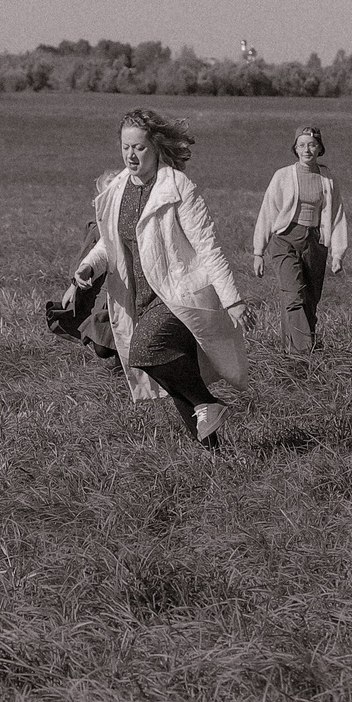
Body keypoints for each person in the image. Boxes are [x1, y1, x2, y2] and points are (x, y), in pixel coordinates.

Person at [74, 109, 253, 450]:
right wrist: (89, 267)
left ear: (155, 147)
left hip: (178, 294)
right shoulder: (118, 188)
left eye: (139, 147)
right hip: (141, 296)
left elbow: (207, 245)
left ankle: (209, 403)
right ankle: (217, 456)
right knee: (178, 382)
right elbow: (110, 240)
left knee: (144, 351)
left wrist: (233, 299)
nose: (130, 155)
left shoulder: (177, 186)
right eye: (126, 147)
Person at [250, 125, 349, 354]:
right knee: (293, 295)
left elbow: (337, 215)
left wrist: (338, 253)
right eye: (302, 145)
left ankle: (291, 353)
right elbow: (267, 211)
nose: (307, 150)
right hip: (285, 239)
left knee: (309, 301)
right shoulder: (282, 175)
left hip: (315, 242)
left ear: (320, 148)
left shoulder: (328, 179)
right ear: (295, 148)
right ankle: (304, 354)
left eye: (312, 145)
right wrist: (258, 252)